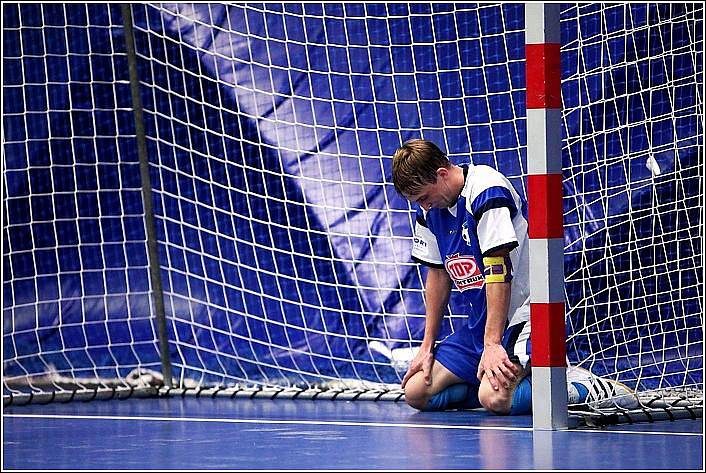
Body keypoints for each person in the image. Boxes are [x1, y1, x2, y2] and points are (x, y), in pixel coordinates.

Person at [392, 139, 637, 414]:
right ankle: (491, 380)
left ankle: (578, 386)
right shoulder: (430, 211)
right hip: (483, 322)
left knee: (494, 399)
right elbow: (437, 275)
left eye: (424, 197)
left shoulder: (485, 188)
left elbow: (498, 269)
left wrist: (492, 344)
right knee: (416, 392)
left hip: (525, 314)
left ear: (441, 174)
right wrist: (426, 346)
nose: (423, 206)